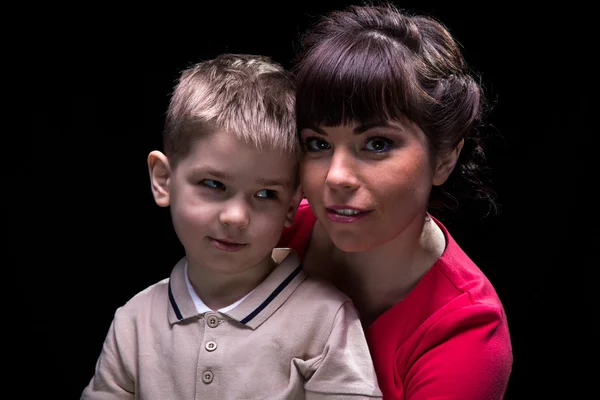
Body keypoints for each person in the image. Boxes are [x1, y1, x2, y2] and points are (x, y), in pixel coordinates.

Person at [81, 54, 382, 399]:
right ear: (163, 180)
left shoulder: (325, 321)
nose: (236, 217)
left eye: (266, 194)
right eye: (214, 185)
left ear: (290, 206)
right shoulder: (133, 322)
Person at [278, 3, 513, 399]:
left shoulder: (465, 331)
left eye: (377, 143)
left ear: (444, 158)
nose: (336, 176)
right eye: (317, 144)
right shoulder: (270, 232)